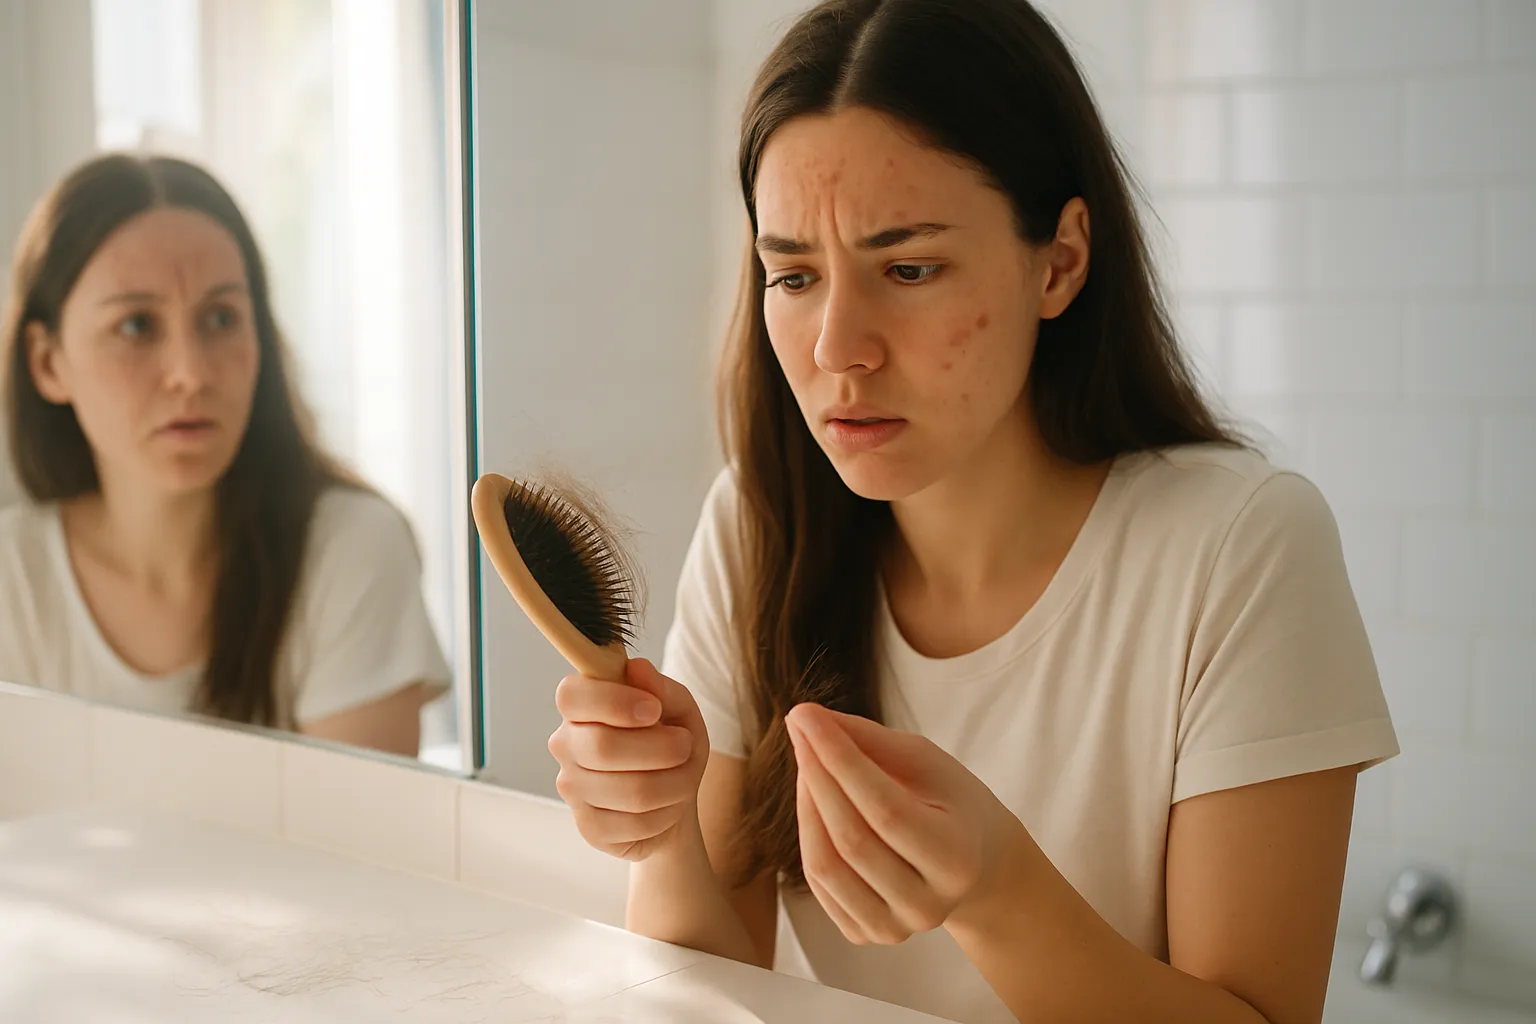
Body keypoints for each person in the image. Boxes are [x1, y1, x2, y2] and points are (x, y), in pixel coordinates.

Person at [546, 1, 1400, 1021]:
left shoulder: (1240, 546)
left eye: (907, 268)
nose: (836, 348)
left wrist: (997, 891)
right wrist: (662, 830)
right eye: (794, 276)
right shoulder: (760, 524)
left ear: (1061, 260)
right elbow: (710, 985)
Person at [0, 154, 450, 758]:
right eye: (136, 326)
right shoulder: (12, 579)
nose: (190, 373)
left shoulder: (349, 550)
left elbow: (360, 846)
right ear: (47, 362)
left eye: (220, 318)